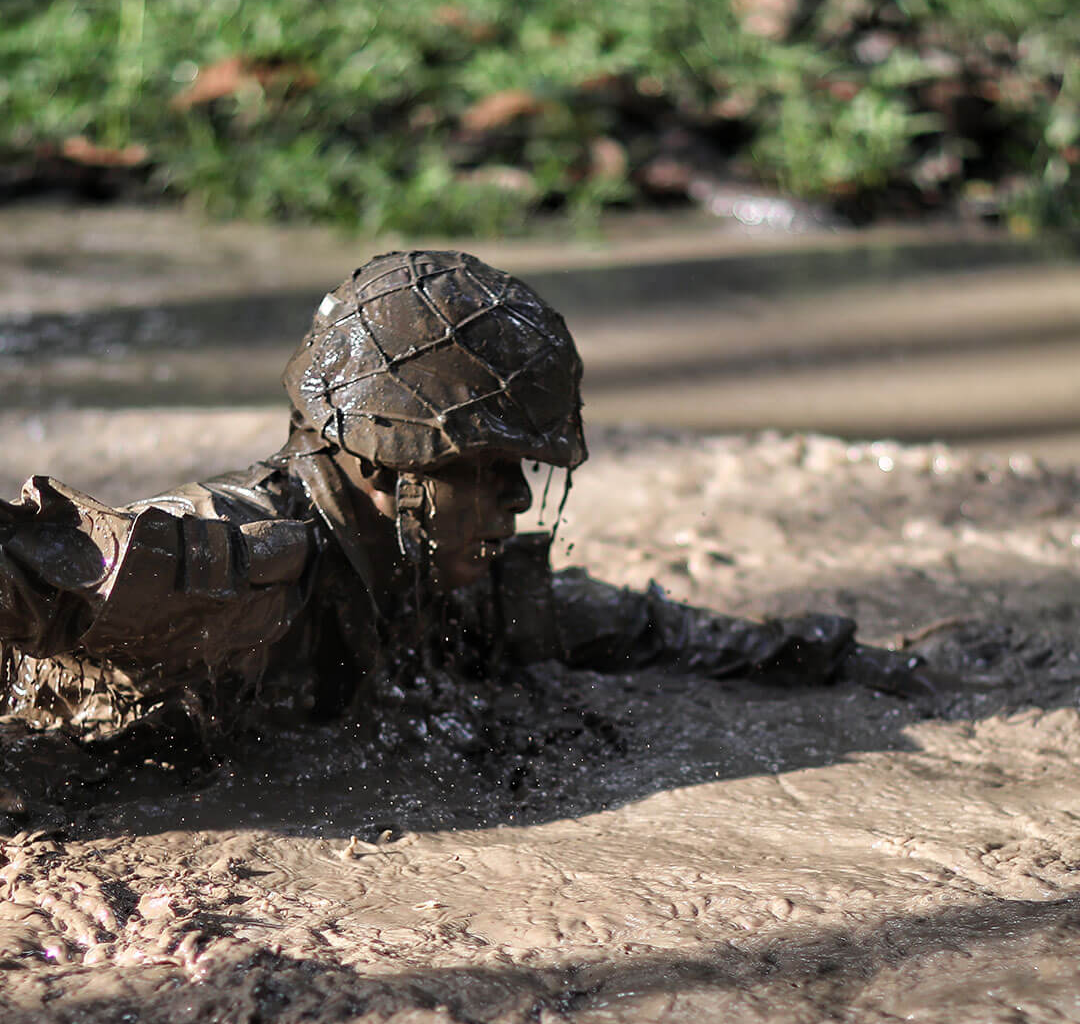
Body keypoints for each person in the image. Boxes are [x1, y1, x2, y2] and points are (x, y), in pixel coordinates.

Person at [0, 248, 926, 753]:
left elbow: (619, 629)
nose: (517, 501)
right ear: (387, 467)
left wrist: (827, 655)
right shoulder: (240, 558)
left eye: (522, 472)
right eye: (485, 470)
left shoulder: (428, 567)